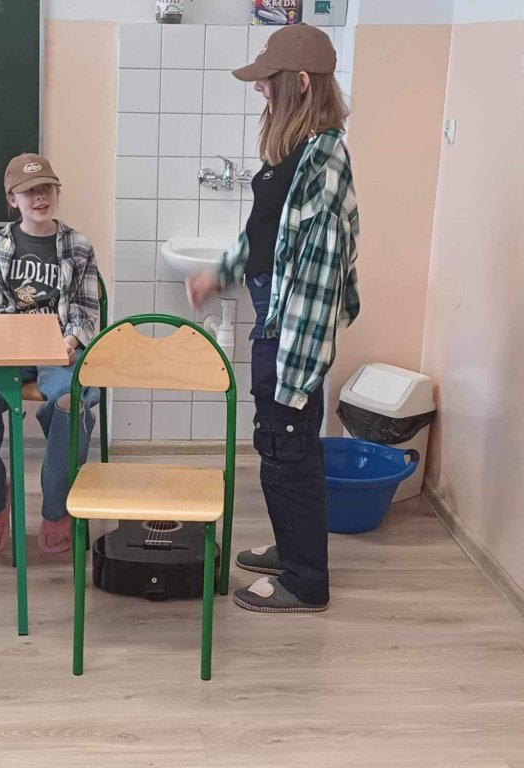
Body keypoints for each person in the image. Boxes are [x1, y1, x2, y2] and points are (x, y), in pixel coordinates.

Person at [187, 25, 360, 613]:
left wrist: (294, 366)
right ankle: (291, 551)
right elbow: (263, 237)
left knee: (290, 449)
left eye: (268, 81)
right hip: (275, 318)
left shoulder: (324, 165)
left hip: (292, 331)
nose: (260, 90)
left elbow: (321, 279)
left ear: (301, 83)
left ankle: (306, 581)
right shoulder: (293, 153)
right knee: (276, 444)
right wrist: (219, 273)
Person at [0, 153, 99, 556]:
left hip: (59, 351)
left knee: (71, 402)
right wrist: (19, 339)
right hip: (7, 351)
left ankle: (58, 511)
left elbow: (86, 311)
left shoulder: (78, 246)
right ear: (12, 200)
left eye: (46, 189)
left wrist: (70, 341)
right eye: (29, 191)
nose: (40, 198)